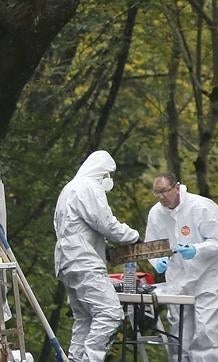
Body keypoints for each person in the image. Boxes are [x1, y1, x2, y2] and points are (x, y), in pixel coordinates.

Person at [54, 150, 140, 361]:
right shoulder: (89, 187)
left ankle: (75, 359)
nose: (109, 179)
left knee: (84, 318)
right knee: (110, 314)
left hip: (67, 260)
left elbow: (80, 227)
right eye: (108, 174)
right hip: (83, 261)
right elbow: (106, 224)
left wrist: (105, 247)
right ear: (101, 171)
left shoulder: (69, 188)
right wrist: (133, 236)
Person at [146, 172, 218, 361]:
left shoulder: (202, 206)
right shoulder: (156, 213)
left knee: (205, 330)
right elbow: (151, 247)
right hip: (178, 279)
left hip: (208, 277)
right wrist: (157, 261)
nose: (161, 198)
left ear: (176, 187)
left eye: (164, 192)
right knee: (178, 332)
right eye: (156, 194)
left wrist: (196, 249)